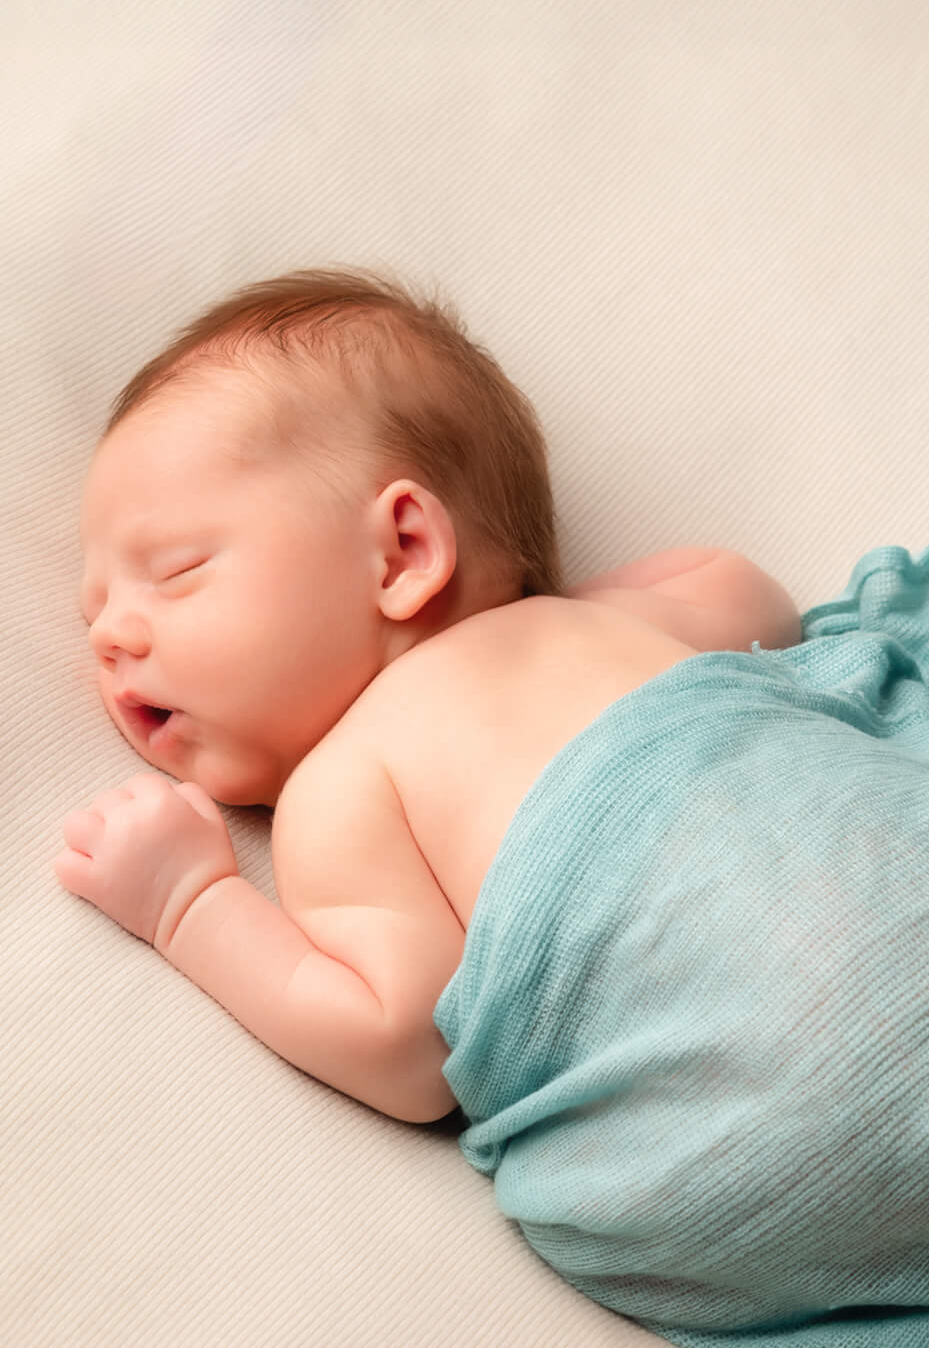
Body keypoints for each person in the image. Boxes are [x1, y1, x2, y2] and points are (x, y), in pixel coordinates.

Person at [54, 268, 804, 1124]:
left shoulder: (345, 789)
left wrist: (189, 904)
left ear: (403, 551)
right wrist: (560, 614)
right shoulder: (587, 637)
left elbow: (406, 1051)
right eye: (94, 614)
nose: (110, 635)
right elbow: (752, 598)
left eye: (177, 572)